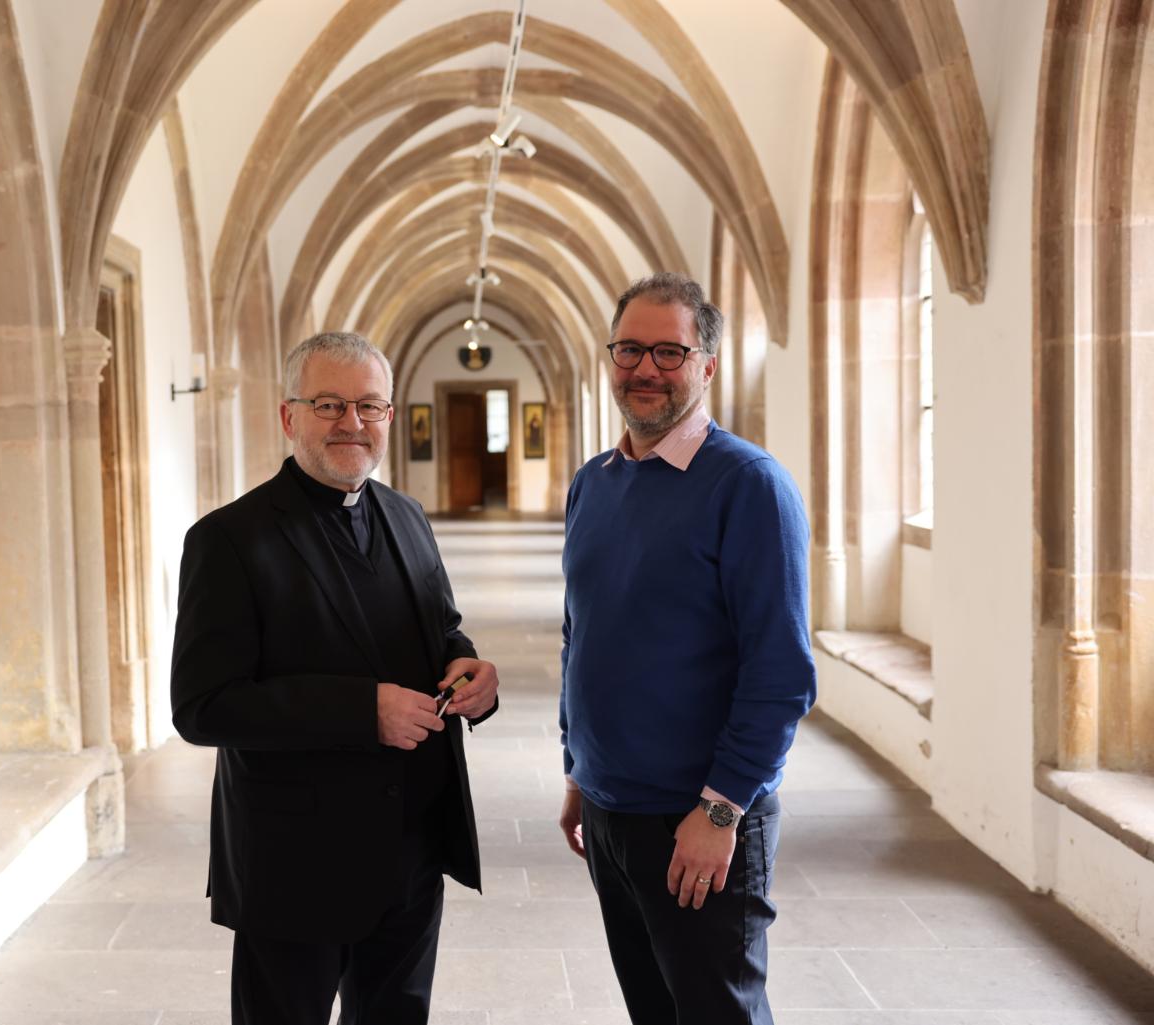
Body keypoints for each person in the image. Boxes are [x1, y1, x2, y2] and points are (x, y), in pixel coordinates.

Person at [171, 331, 501, 1025]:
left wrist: (469, 670)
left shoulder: (408, 518)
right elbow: (203, 707)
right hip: (295, 864)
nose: (352, 422)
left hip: (411, 849)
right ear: (290, 416)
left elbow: (442, 629)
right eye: (329, 404)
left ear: (388, 415)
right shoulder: (228, 539)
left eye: (369, 405)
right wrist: (363, 710)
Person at [557, 272, 816, 1024]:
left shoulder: (749, 485)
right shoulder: (594, 483)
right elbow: (584, 632)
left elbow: (780, 673)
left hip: (697, 818)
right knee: (654, 1009)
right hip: (610, 810)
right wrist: (578, 765)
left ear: (707, 365)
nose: (645, 369)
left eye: (669, 352)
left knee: (717, 1012)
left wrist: (722, 809)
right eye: (630, 349)